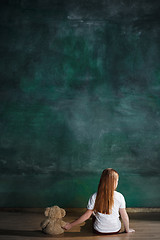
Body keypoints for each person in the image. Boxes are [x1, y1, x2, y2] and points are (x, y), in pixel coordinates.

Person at [64, 168, 135, 234]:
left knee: (92, 215)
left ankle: (96, 215)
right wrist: (127, 230)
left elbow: (86, 216)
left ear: (102, 181)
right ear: (115, 183)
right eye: (117, 181)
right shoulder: (120, 196)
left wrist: (70, 225)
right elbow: (124, 216)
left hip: (99, 231)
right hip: (115, 230)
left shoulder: (94, 196)